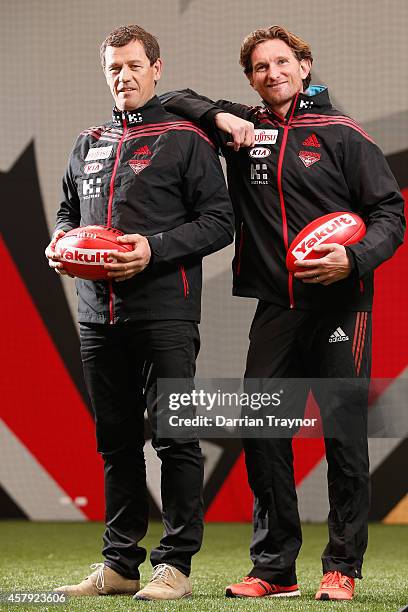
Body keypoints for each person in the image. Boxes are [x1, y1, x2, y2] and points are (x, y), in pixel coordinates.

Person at [162, 25, 405, 601]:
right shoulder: (244, 131)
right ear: (250, 78)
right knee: (264, 432)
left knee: (345, 435)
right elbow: (173, 100)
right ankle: (275, 568)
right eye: (259, 67)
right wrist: (222, 118)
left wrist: (352, 258)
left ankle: (342, 565)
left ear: (304, 65)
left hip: (341, 304)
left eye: (282, 62)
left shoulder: (343, 134)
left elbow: (391, 213)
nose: (272, 73)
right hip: (277, 307)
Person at [45, 24, 233, 601]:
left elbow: (219, 221)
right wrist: (60, 241)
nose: (122, 77)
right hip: (96, 316)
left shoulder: (186, 139)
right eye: (112, 68)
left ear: (156, 69)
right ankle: (120, 564)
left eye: (132, 65)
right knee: (116, 442)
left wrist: (153, 248)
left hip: (164, 313)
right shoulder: (88, 140)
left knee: (175, 437)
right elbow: (67, 209)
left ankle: (174, 565)